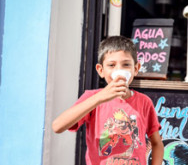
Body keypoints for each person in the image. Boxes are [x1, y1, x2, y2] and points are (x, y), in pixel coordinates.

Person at [52, 36, 164, 165]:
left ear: (136, 69)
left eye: (126, 64)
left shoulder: (144, 102)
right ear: (101, 70)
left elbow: (156, 143)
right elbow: (57, 126)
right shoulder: (93, 98)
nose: (119, 70)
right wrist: (100, 97)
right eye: (111, 65)